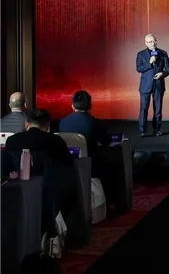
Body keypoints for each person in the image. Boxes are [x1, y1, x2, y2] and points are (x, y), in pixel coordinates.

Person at [5, 109, 76, 239]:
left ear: (26, 124)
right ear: (47, 125)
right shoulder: (55, 141)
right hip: (50, 190)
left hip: (19, 191)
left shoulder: (12, 140)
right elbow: (68, 164)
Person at [136, 34, 169, 136]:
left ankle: (157, 130)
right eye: (150, 42)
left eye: (154, 41)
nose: (153, 43)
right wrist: (149, 62)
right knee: (144, 108)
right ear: (146, 43)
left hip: (158, 84)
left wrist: (162, 74)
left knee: (158, 109)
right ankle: (142, 131)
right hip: (145, 85)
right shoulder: (141, 54)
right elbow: (139, 68)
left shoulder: (163, 53)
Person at [59, 90, 111, 159]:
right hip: (91, 162)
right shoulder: (95, 122)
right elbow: (106, 142)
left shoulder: (62, 122)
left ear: (73, 107)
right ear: (90, 106)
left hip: (68, 162)